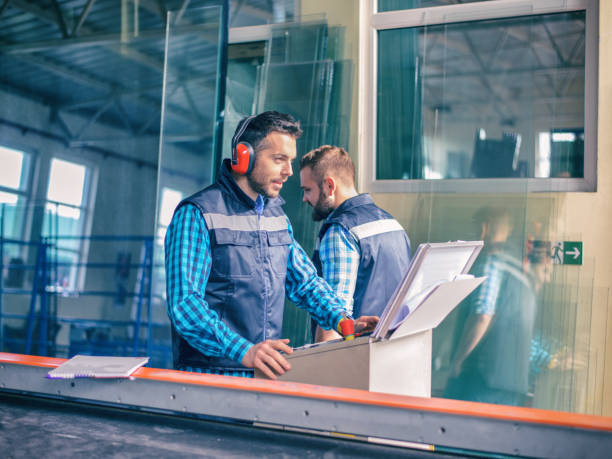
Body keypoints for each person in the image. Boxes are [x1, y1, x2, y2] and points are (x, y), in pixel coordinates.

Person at [164, 112, 378, 379]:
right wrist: (243, 350)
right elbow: (185, 305)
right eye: (279, 159)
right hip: (210, 378)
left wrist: (343, 321)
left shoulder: (275, 216)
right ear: (244, 157)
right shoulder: (197, 214)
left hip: (264, 375)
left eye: (290, 161)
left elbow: (305, 283)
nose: (288, 171)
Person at [299, 145, 412, 342]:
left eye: (308, 190)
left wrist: (318, 368)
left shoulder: (340, 231)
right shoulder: (392, 224)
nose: (304, 198)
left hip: (355, 361)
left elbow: (332, 318)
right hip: (392, 351)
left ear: (329, 186)